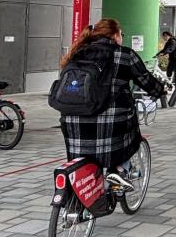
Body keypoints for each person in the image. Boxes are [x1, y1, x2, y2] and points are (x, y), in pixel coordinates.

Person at [57, 19, 166, 192]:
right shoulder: (124, 55)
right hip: (112, 124)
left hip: (73, 120)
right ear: (115, 35)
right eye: (121, 34)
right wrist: (160, 91)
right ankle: (119, 171)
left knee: (84, 151)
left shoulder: (77, 53)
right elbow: (146, 80)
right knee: (132, 135)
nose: (122, 38)